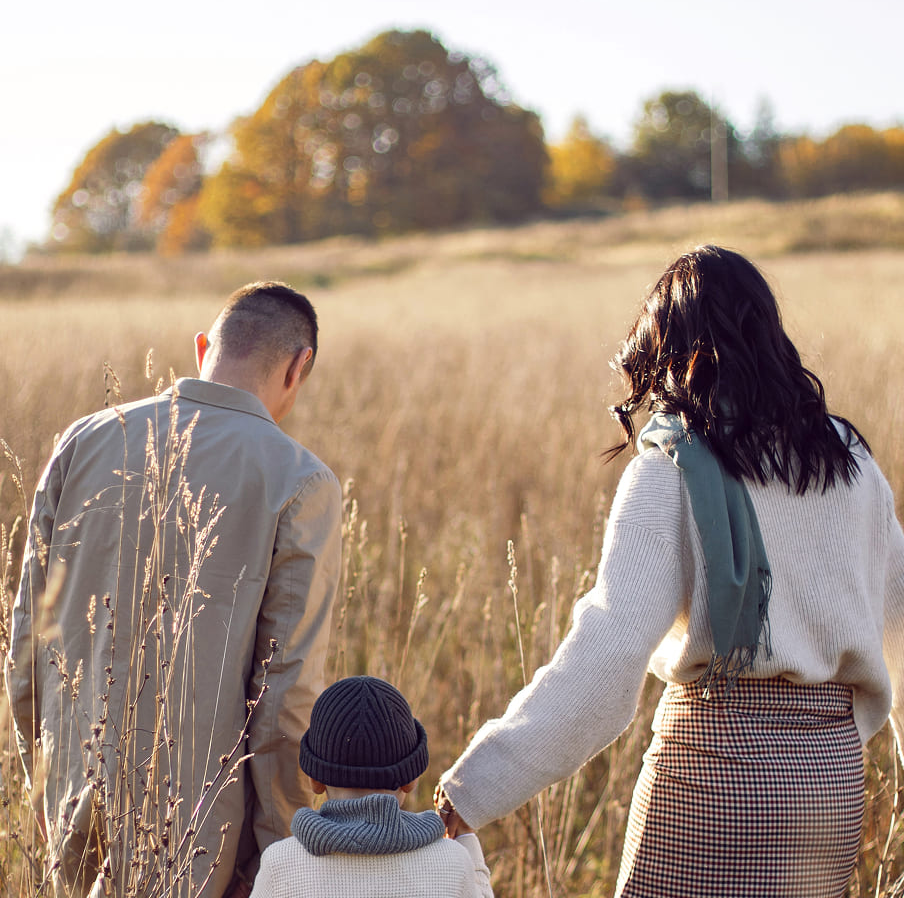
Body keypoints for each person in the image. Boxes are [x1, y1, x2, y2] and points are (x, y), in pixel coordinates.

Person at [436, 245, 904, 897]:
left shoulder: (669, 471)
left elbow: (607, 656)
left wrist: (472, 788)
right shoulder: (848, 461)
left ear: (666, 350)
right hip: (827, 791)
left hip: (712, 779)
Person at [6, 281, 343, 898]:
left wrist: (48, 782)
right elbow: (286, 691)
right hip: (196, 836)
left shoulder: (83, 441)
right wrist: (281, 855)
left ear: (202, 349)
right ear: (300, 367)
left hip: (73, 798)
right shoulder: (300, 480)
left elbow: (27, 641)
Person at [249, 675, 493, 898]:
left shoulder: (279, 865)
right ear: (410, 781)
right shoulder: (452, 863)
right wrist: (466, 839)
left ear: (315, 781)